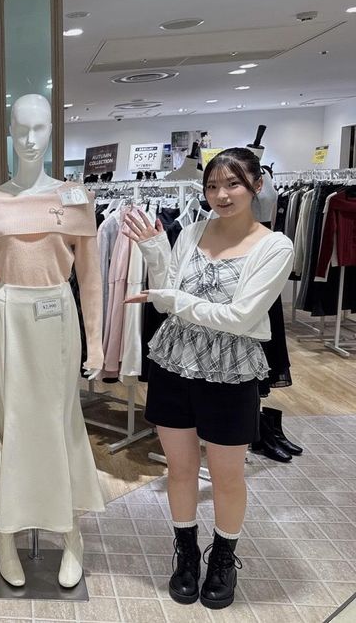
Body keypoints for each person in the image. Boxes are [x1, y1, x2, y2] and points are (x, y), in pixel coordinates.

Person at [122, 147, 293, 610]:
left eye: (233, 183)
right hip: (175, 362)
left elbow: (240, 318)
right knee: (179, 470)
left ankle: (222, 559)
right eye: (213, 186)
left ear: (256, 185)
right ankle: (185, 553)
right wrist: (155, 252)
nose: (222, 194)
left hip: (231, 370)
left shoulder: (275, 246)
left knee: (226, 476)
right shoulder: (193, 231)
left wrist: (174, 299)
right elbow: (165, 300)